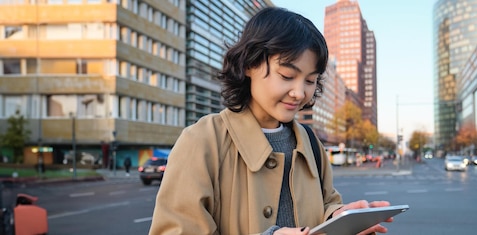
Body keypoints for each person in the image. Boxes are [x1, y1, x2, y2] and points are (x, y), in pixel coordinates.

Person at [149, 7, 393, 235]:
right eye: (287, 75)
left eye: (310, 80)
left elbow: (326, 205)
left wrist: (340, 218)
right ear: (248, 64)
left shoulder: (310, 142)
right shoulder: (202, 140)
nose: (299, 92)